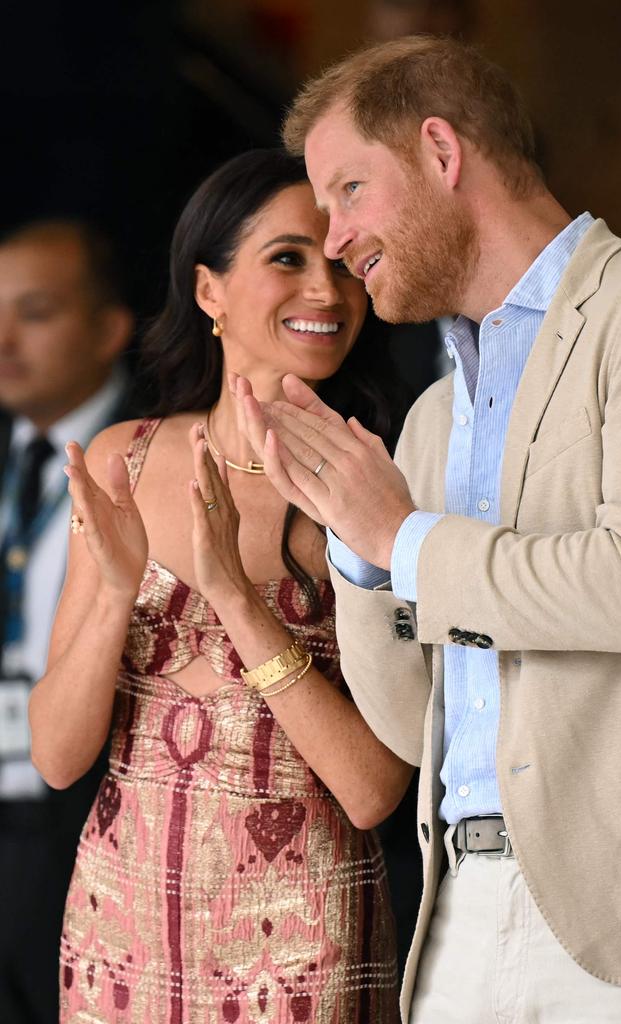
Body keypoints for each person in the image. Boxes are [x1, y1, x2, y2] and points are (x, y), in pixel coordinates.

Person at [231, 35, 621, 1024]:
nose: (337, 239)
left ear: (442, 152)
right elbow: (409, 727)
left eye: (350, 190)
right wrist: (356, 545)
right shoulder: (433, 417)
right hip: (460, 919)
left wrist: (405, 541)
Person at [28, 151, 409, 1023]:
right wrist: (119, 588)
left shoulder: (371, 485)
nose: (326, 290)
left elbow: (374, 789)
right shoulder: (126, 457)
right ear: (209, 291)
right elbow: (56, 757)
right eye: (288, 258)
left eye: (343, 265)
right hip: (118, 932)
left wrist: (238, 600)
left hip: (303, 944)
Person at [0, 219, 135, 1024]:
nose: (3, 339)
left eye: (36, 312)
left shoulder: (153, 455)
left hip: (85, 818)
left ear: (110, 329)